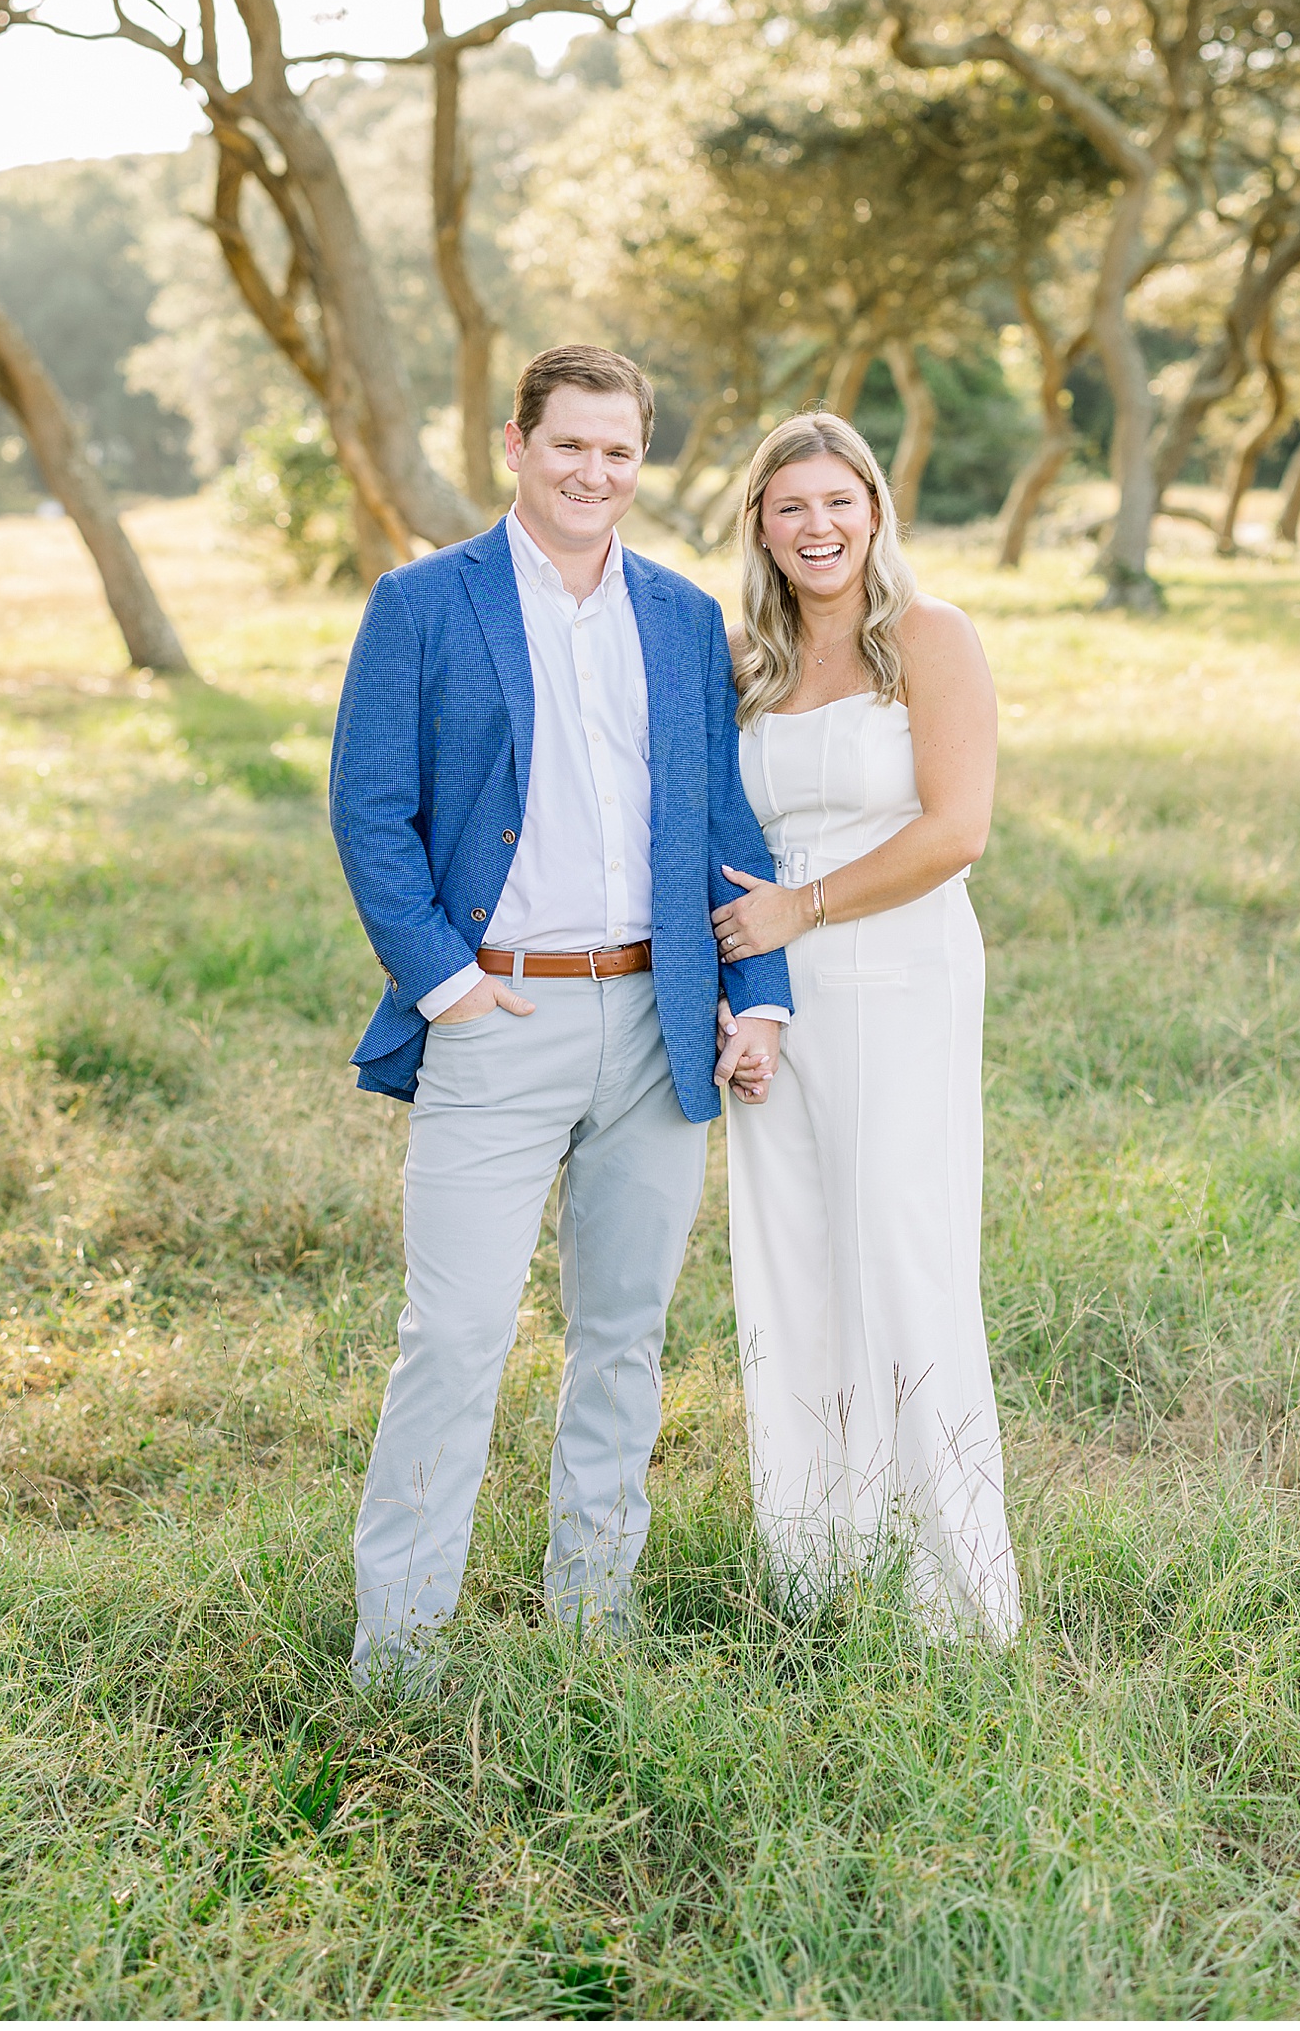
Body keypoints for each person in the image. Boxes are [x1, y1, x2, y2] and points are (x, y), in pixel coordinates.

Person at [329, 343, 791, 1685]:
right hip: (498, 1017)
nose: (596, 472)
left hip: (658, 1020)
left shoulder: (681, 615)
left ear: (642, 463)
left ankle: (595, 1611)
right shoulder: (424, 604)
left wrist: (756, 995)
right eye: (571, 444)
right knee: (458, 1334)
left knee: (622, 1336)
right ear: (516, 445)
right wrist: (449, 984)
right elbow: (372, 809)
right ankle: (399, 1651)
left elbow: (719, 820)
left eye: (621, 451)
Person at [711, 411, 1021, 1644]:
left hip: (900, 974)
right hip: (779, 996)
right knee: (791, 1262)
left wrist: (808, 903)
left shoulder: (930, 639)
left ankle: (952, 1593)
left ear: (877, 510)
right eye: (792, 506)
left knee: (901, 1254)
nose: (819, 526)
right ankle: (820, 1567)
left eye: (841, 500)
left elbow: (958, 831)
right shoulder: (750, 660)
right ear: (761, 526)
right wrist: (754, 984)